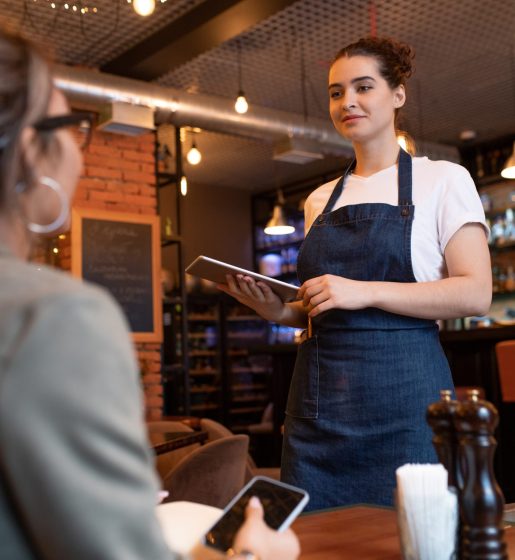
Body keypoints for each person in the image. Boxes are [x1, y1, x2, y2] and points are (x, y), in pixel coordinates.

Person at [0, 27, 299, 560]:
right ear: (29, 150)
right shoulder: (56, 317)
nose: (77, 147)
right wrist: (249, 555)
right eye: (72, 124)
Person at [218, 36, 492, 511]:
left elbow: (475, 293)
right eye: (336, 92)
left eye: (363, 87)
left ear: (398, 94)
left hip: (408, 405)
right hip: (319, 411)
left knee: (411, 537)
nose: (348, 102)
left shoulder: (444, 179)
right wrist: (277, 309)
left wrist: (361, 290)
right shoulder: (320, 199)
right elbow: (321, 306)